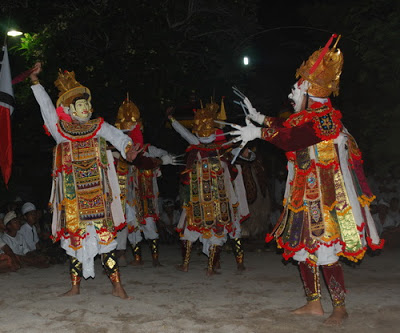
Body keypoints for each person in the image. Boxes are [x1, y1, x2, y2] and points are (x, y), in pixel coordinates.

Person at [228, 34, 383, 325]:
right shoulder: (306, 116)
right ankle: (314, 303)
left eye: (295, 87)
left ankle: (339, 306)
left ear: (310, 88)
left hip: (325, 197)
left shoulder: (326, 119)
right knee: (302, 250)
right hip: (302, 193)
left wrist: (259, 134)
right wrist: (259, 118)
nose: (291, 93)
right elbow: (287, 126)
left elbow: (294, 138)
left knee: (325, 250)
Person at [29, 63, 141, 299]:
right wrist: (36, 84)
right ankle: (75, 286)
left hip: (99, 196)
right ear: (70, 109)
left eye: (88, 103)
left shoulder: (98, 127)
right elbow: (48, 110)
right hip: (73, 198)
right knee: (74, 243)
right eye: (81, 104)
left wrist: (128, 149)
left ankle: (117, 286)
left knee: (106, 241)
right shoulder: (61, 131)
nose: (87, 107)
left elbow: (117, 136)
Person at [167, 100, 248, 276]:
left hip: (208, 199)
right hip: (211, 200)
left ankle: (191, 265)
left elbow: (185, 134)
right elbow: (185, 134)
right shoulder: (220, 147)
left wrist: (172, 119)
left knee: (194, 232)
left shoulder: (221, 147)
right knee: (217, 232)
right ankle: (210, 267)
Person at [113, 97, 180, 267]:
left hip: (146, 194)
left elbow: (166, 155)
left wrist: (160, 160)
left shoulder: (148, 149)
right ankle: (137, 258)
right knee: (131, 225)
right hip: (127, 195)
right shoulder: (116, 151)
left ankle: (155, 259)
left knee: (149, 224)